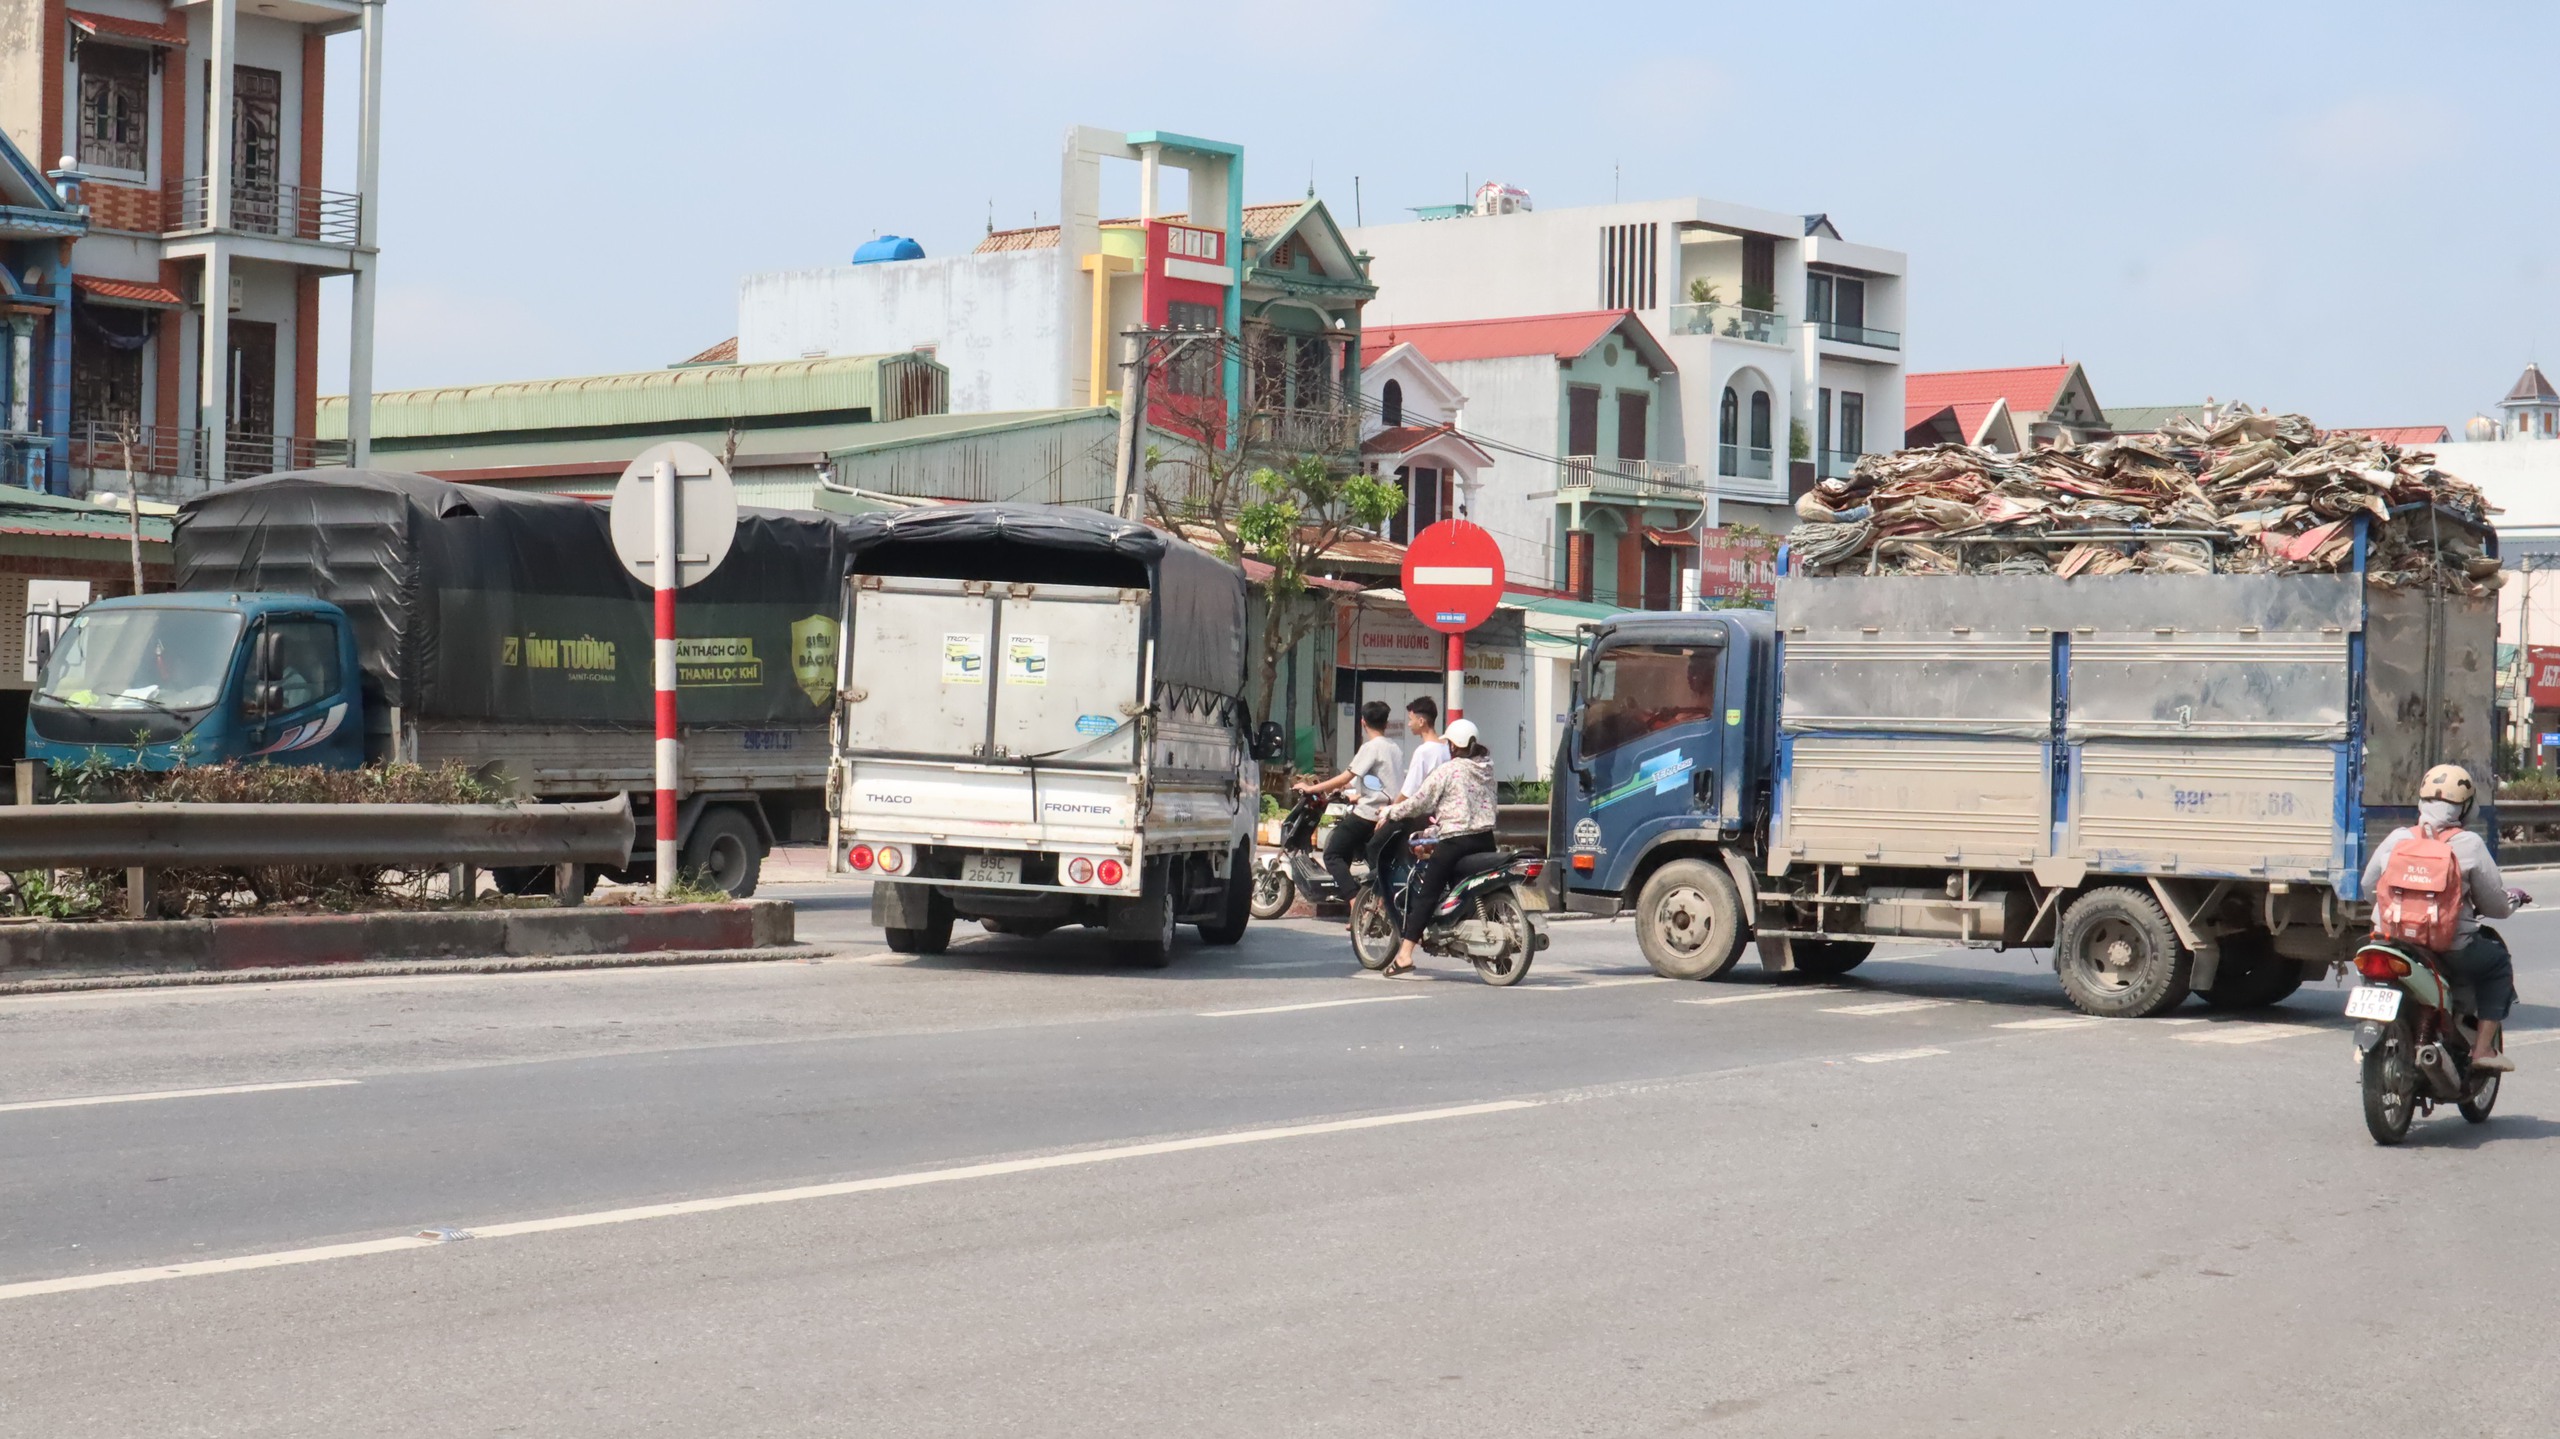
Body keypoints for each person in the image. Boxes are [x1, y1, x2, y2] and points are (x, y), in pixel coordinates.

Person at [2362, 764, 2529, 1072]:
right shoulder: (2469, 844)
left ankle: (2370, 1036)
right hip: (2449, 947)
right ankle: (2482, 1050)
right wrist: (2515, 898)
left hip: (2391, 941)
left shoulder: (2397, 838)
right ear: (2465, 808)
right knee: (2497, 964)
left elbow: (2367, 887)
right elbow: (2496, 906)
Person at [1375, 718, 1498, 977]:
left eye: (1450, 744)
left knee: (1426, 895)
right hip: (1486, 839)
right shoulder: (1487, 768)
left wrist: (1391, 811)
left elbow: (1419, 802)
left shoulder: (1448, 770)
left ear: (1454, 746)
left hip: (1456, 842)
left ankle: (1405, 955)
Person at [1292, 701, 1401, 899]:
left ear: (1362, 722)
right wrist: (1351, 792)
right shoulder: (1394, 748)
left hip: (1368, 814)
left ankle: (1353, 901)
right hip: (1387, 813)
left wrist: (1311, 788)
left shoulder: (1371, 747)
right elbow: (1379, 780)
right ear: (1386, 723)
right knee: (1358, 852)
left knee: (1333, 854)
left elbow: (1346, 776)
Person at [1367, 696, 1451, 886]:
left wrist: (1387, 814)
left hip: (1415, 815)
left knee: (1374, 847)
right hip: (1435, 815)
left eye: (1411, 719)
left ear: (1421, 721)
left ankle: (1386, 892)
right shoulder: (1446, 749)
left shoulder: (1424, 751)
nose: (1409, 724)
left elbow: (1408, 791)